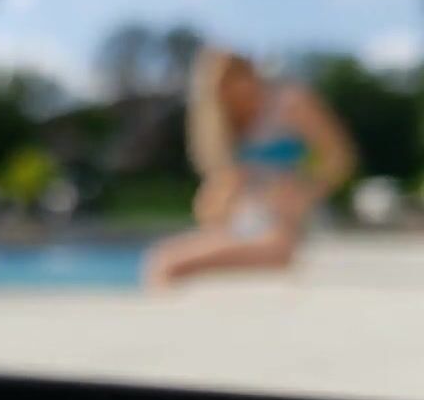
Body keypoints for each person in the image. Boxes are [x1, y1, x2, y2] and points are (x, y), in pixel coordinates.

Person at [145, 48, 356, 287]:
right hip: (244, 219)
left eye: (237, 77)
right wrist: (224, 193)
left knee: (173, 264)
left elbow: (339, 159)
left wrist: (304, 190)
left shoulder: (289, 102)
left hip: (289, 219)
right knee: (162, 259)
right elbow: (209, 213)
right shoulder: (219, 127)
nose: (235, 90)